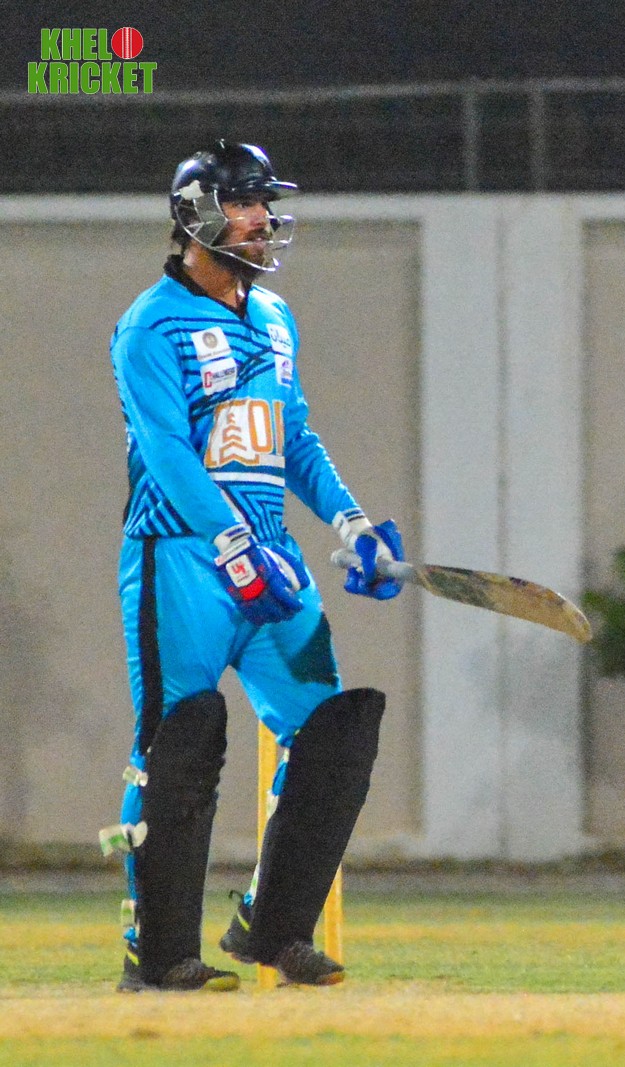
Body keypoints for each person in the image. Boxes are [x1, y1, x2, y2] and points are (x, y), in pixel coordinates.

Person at [102, 140, 405, 992]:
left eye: (265, 204)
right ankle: (156, 951)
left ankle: (273, 926)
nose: (263, 220)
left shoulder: (274, 316)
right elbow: (166, 450)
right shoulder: (148, 324)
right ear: (197, 214)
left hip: (271, 553)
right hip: (182, 554)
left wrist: (350, 520)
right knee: (178, 738)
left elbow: (294, 436)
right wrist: (229, 540)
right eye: (244, 203)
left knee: (336, 729)